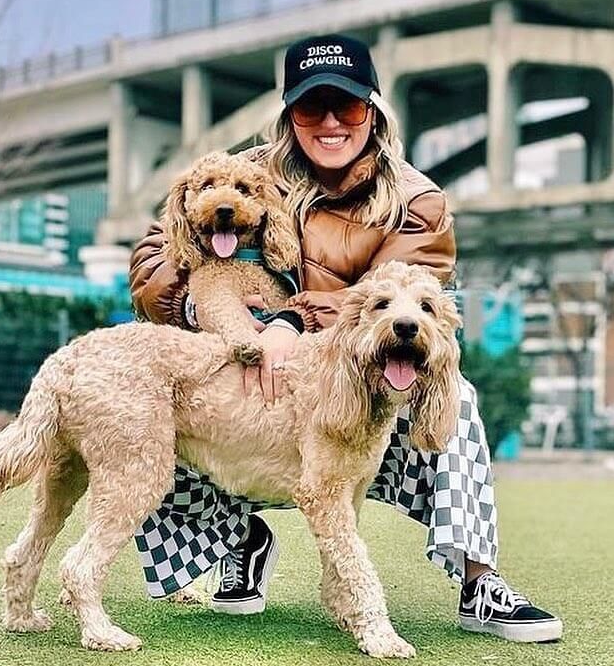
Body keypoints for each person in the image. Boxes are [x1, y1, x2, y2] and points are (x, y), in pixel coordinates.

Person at [129, 33, 562, 644]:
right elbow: (153, 256)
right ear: (290, 116)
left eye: (348, 107)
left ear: (373, 111)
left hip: (359, 387)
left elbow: (401, 303)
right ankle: (238, 541)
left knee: (455, 399)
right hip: (252, 386)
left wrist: (291, 322)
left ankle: (479, 582)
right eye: (312, 108)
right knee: (153, 398)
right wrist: (195, 301)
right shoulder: (241, 177)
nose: (331, 123)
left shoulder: (418, 202)